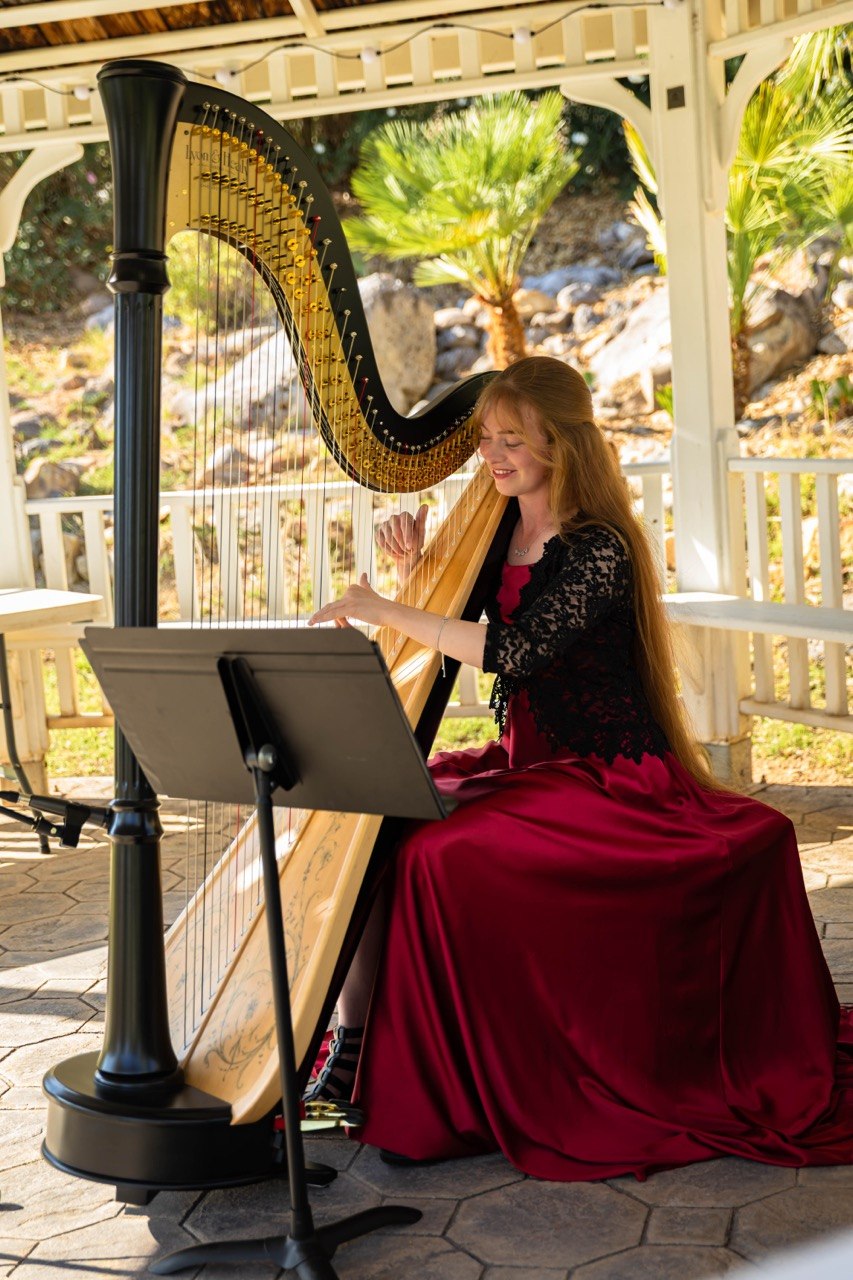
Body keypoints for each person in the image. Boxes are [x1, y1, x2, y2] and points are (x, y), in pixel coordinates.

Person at [307, 356, 853, 1179]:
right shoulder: (495, 531)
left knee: (435, 855)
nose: (492, 456)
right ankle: (352, 1046)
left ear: (559, 443)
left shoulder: (599, 549)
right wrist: (415, 568)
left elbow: (515, 651)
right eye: (485, 439)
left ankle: (451, 1086)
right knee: (375, 810)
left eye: (512, 440)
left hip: (611, 779)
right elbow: (453, 619)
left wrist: (385, 607)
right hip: (528, 766)